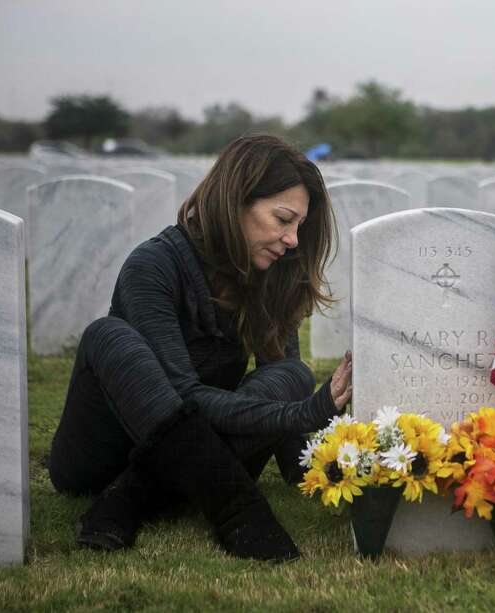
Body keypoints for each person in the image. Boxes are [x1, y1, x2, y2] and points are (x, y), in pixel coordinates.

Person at [48, 135, 352, 563]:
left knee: (293, 372)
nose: (293, 240)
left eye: (299, 226)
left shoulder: (271, 273)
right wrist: (306, 411)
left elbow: (286, 385)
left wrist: (309, 465)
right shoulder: (153, 266)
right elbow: (183, 398)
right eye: (283, 219)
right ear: (235, 201)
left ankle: (130, 497)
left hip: (204, 453)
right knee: (107, 335)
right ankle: (236, 511)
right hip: (104, 455)